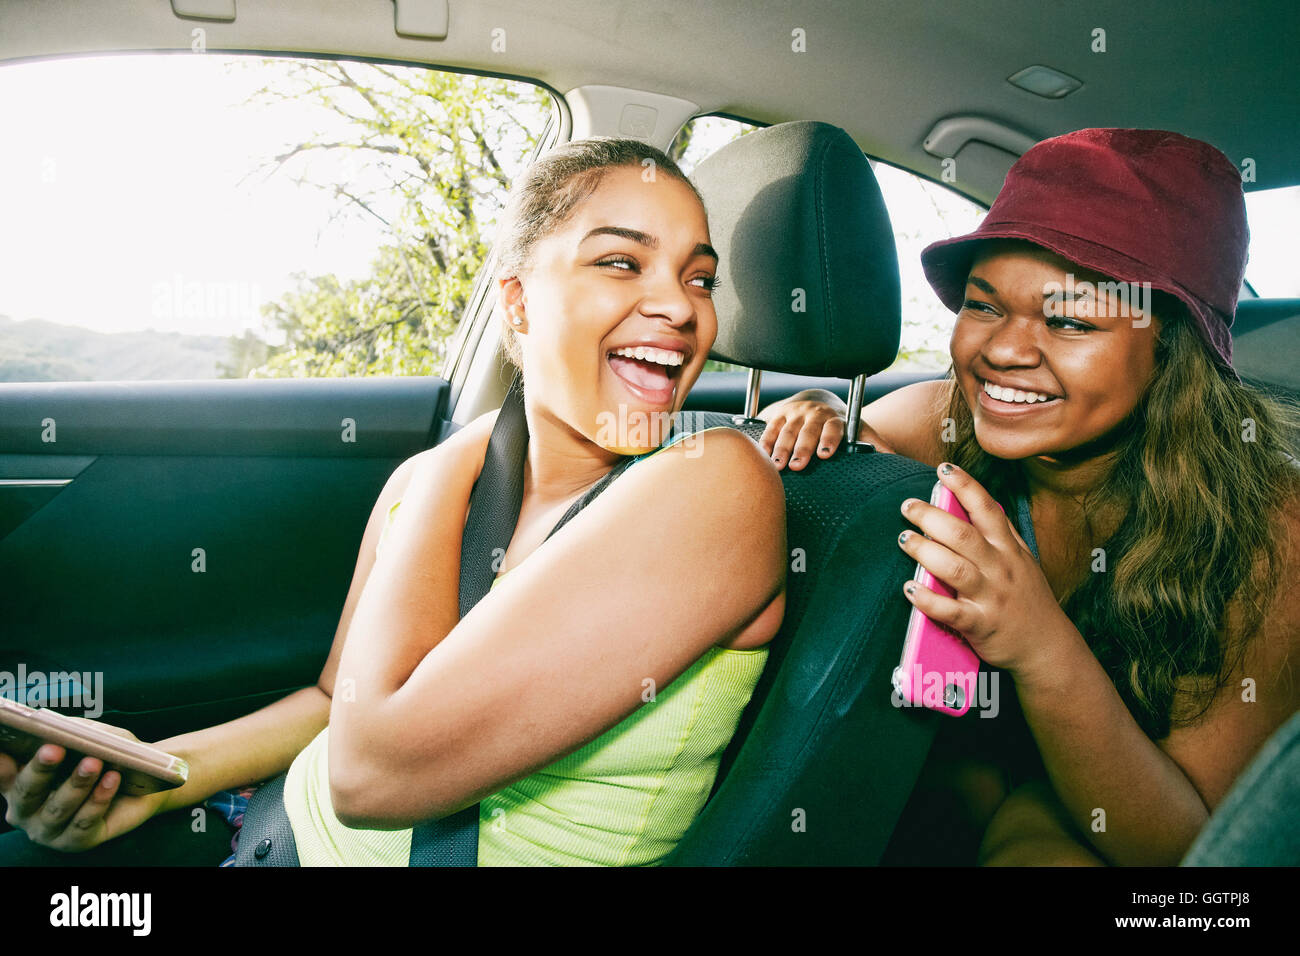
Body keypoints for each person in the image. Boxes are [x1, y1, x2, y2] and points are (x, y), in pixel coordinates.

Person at [0, 138, 787, 866]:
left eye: (698, 277)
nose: (682, 309)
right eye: (622, 262)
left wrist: (452, 458)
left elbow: (371, 773)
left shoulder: (710, 480)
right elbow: (328, 702)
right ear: (516, 302)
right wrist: (160, 776)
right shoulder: (430, 490)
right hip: (269, 831)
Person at [759, 128, 1300, 866]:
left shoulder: (1268, 530)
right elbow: (845, 444)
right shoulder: (940, 425)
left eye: (1071, 320)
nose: (1003, 351)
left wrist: (1039, 645)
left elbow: (1196, 856)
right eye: (983, 306)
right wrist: (815, 411)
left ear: (1173, 349)